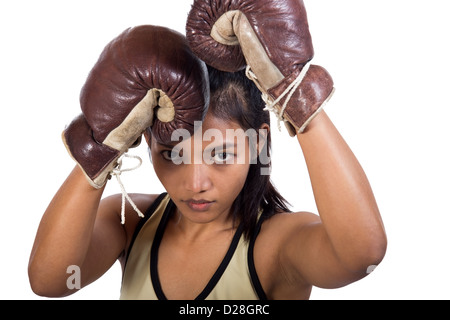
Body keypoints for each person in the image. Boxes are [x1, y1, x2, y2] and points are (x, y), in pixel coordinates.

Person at [28, 2, 387, 300]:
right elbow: (50, 282)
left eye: (220, 156)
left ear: (257, 144)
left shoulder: (276, 245)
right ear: (147, 144)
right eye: (172, 155)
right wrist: (99, 150)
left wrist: (295, 94)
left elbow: (361, 256)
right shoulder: (131, 223)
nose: (196, 182)